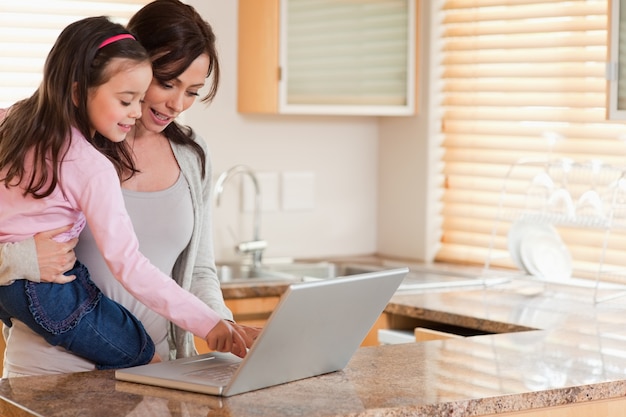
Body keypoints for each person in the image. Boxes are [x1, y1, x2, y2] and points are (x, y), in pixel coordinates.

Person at [0, 1, 260, 377]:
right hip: (51, 369)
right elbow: (129, 264)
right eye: (167, 82)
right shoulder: (74, 152)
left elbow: (199, 268)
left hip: (155, 367)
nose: (176, 103)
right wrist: (19, 259)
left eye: (193, 92)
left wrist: (219, 324)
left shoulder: (192, 154)